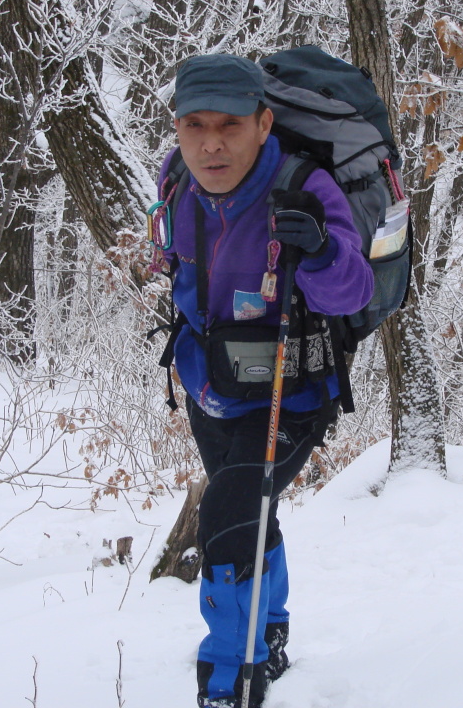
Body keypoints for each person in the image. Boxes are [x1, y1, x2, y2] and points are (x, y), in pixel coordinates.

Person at [155, 54, 373, 708]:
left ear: (263, 122)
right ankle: (270, 630)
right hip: (208, 387)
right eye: (195, 124)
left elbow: (352, 290)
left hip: (290, 392)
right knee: (250, 510)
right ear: (178, 127)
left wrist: (323, 252)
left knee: (226, 512)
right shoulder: (176, 180)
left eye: (229, 123)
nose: (211, 141)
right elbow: (177, 267)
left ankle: (230, 681)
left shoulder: (302, 187)